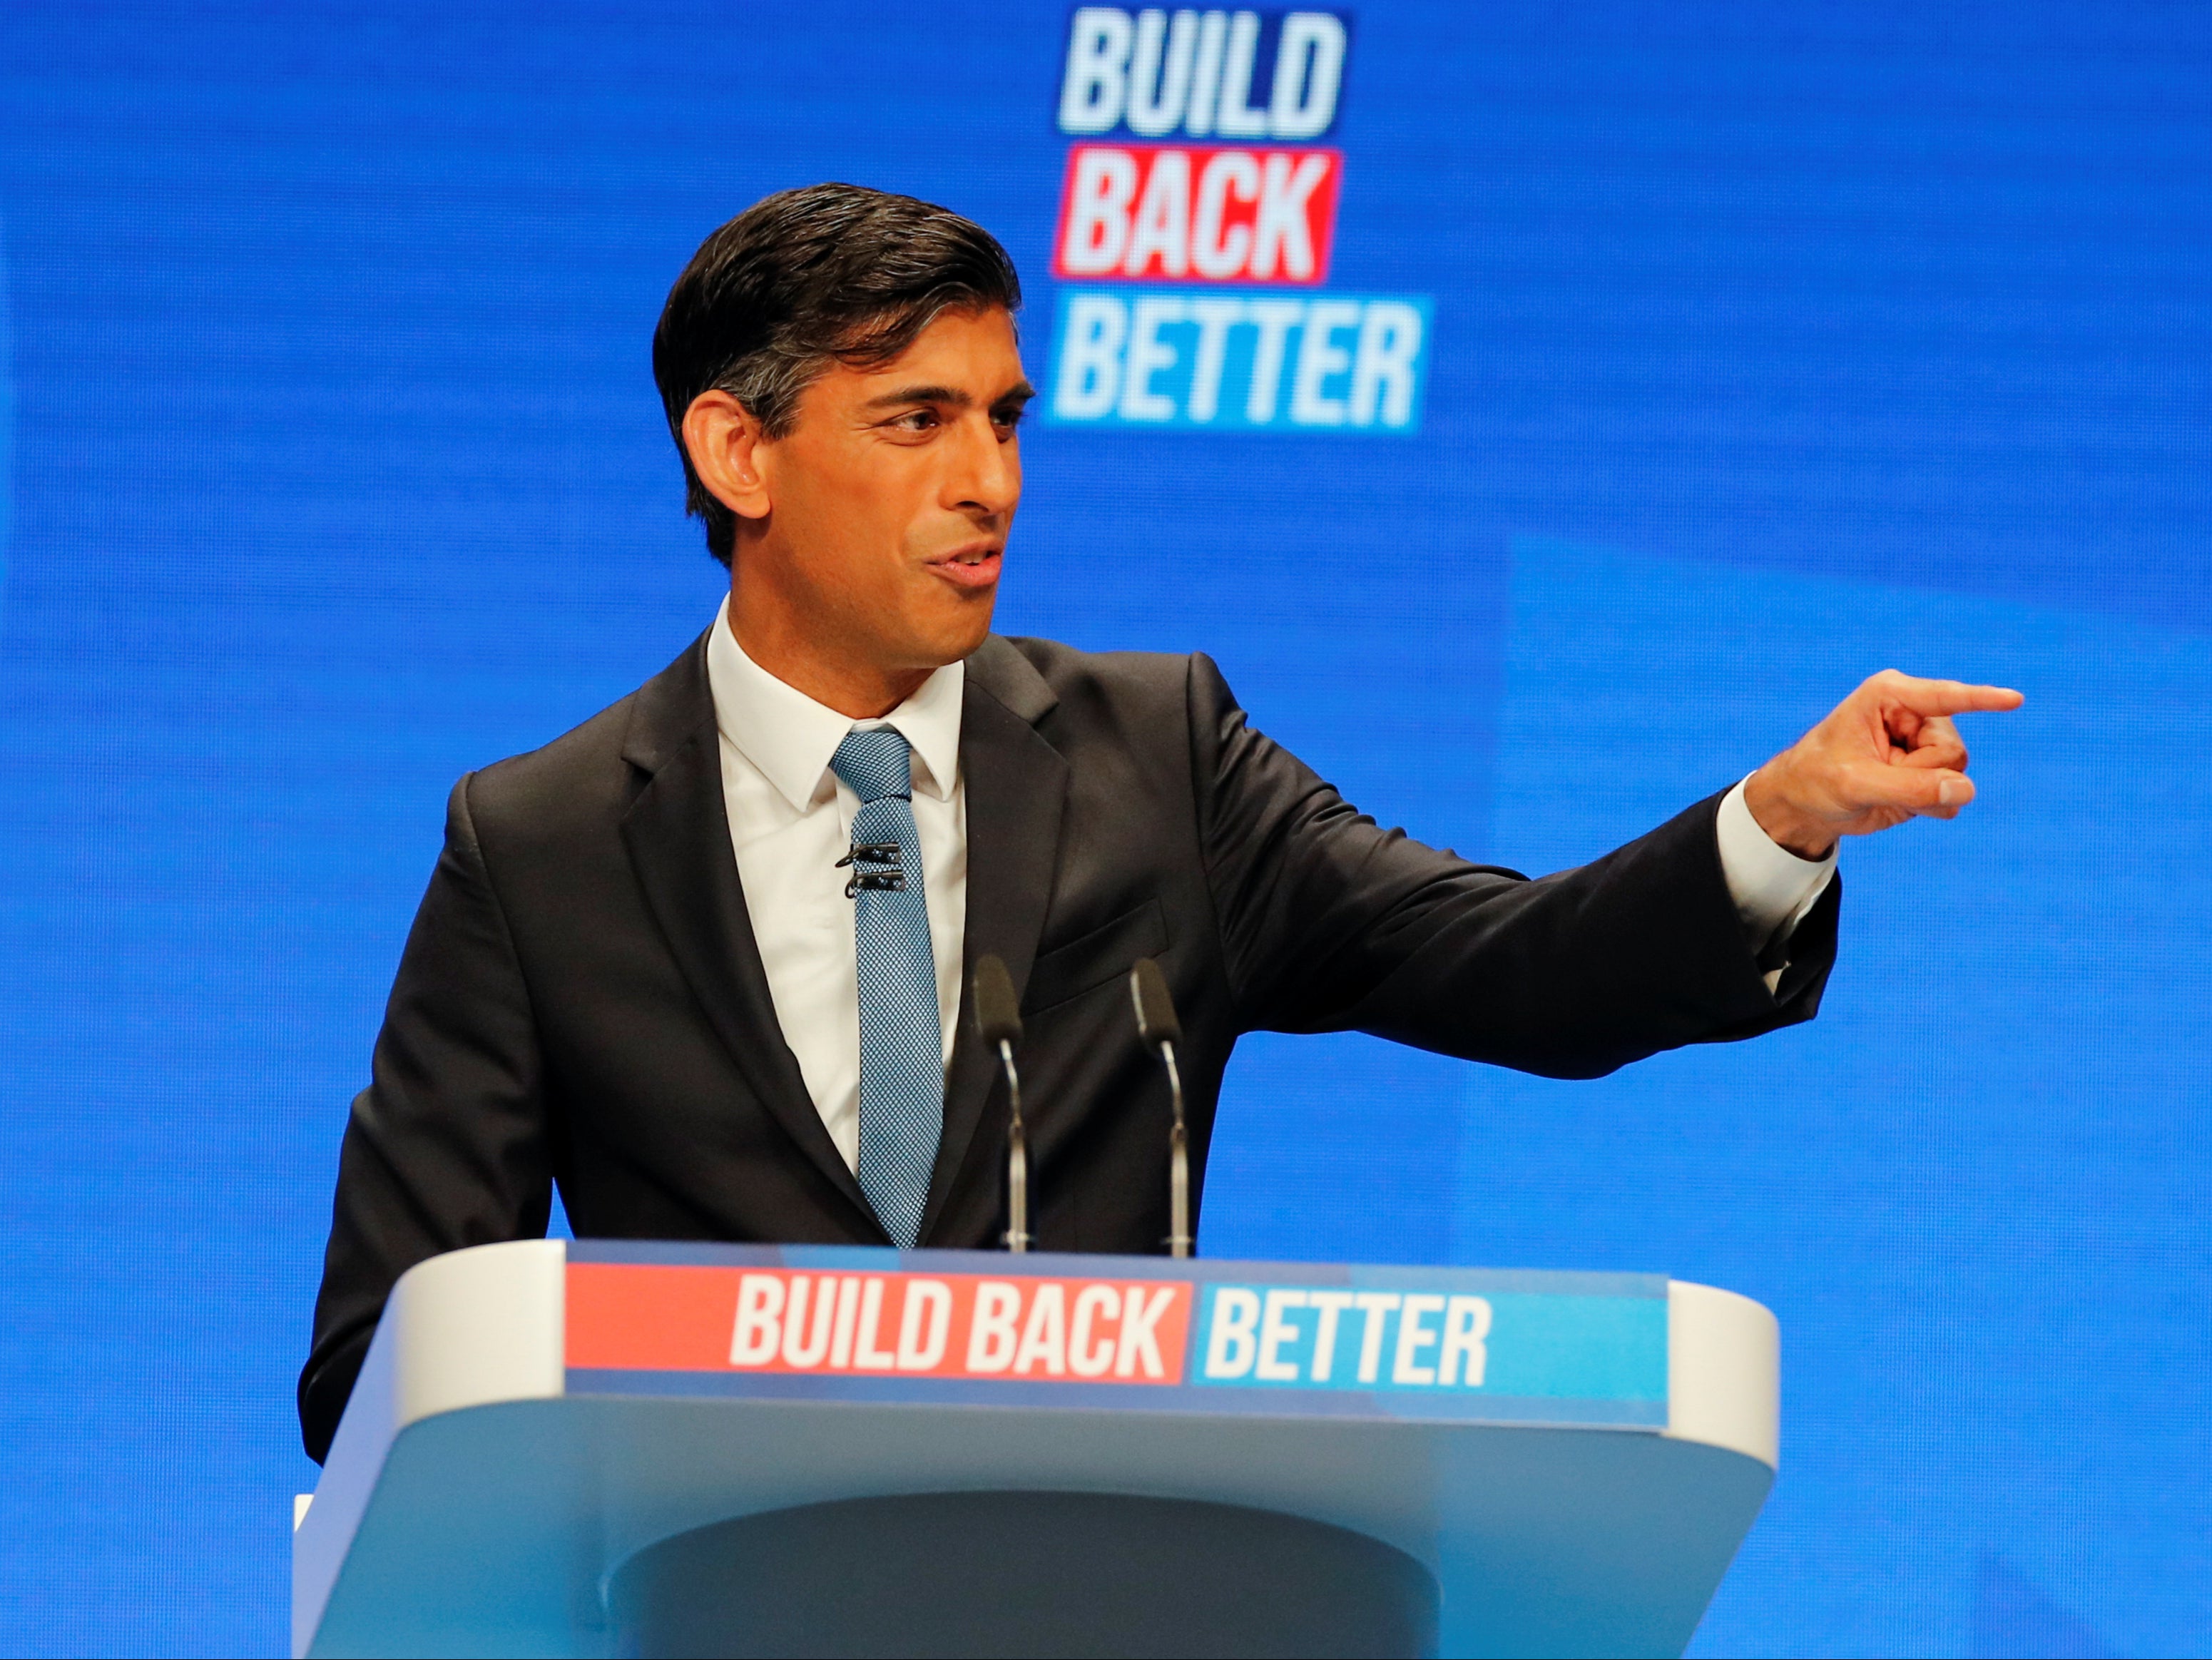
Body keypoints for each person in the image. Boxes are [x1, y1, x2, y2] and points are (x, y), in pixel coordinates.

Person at [299, 183, 2020, 1461]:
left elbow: (1514, 968)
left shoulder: (1158, 756)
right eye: (916, 422)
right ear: (739, 454)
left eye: (1002, 417)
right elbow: (384, 1360)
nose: (991, 481)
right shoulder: (538, 845)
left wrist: (1775, 822)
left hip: (1114, 1586)